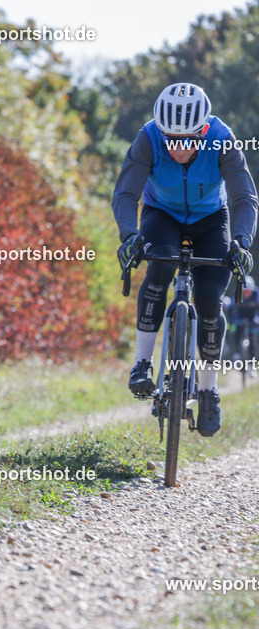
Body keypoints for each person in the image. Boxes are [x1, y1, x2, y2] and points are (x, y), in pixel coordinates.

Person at [114, 82, 257, 436]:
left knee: (210, 299)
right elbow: (126, 192)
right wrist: (129, 236)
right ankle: (142, 364)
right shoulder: (148, 138)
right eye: (170, 139)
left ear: (204, 130)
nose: (177, 147)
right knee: (159, 264)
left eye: (187, 139)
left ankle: (208, 391)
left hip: (211, 218)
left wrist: (241, 241)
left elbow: (245, 197)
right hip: (161, 213)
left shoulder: (223, 139)